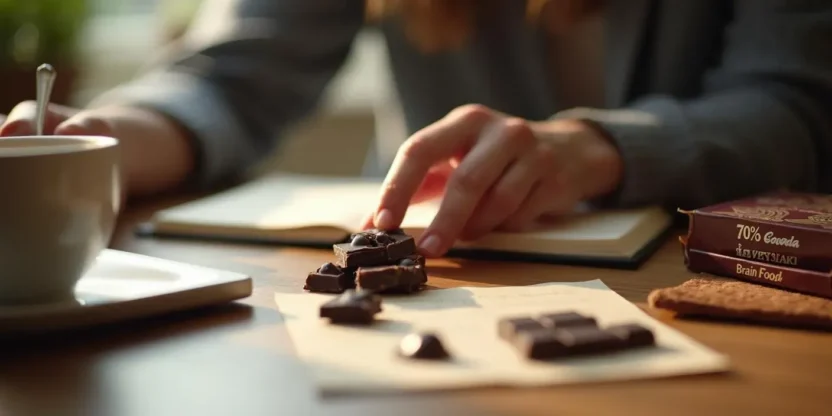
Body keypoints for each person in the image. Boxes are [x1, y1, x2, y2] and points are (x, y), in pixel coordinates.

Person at [2, 0, 831, 258]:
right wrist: (106, 134)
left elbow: (794, 105)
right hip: (454, 295)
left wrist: (596, 150)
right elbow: (232, 78)